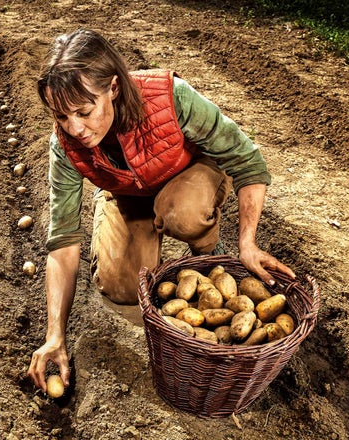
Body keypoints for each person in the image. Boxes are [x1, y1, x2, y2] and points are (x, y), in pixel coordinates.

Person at [26, 28, 296, 395]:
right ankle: (115, 211)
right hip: (127, 190)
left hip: (189, 173)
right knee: (122, 288)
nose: (75, 128)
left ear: (114, 88)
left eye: (84, 111)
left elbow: (248, 162)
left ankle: (209, 259)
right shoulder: (65, 145)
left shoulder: (170, 99)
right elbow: (62, 242)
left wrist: (247, 244)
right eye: (61, 116)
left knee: (182, 213)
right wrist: (54, 335)